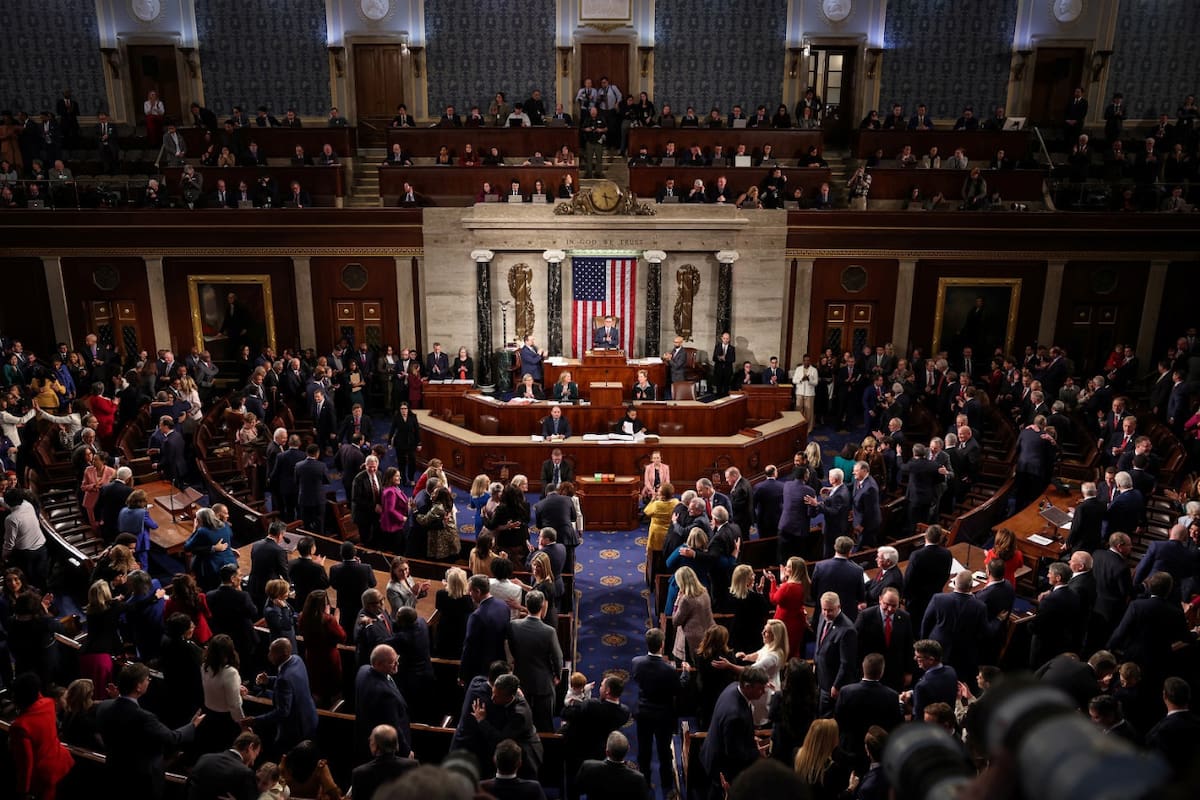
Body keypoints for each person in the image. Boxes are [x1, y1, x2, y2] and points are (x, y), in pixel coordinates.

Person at [97, 662, 204, 799]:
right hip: (142, 781)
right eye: (147, 679)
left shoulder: (103, 707)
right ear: (138, 686)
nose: (149, 681)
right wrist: (193, 725)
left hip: (114, 772)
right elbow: (172, 738)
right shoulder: (144, 717)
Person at [698, 666, 770, 798]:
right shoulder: (735, 715)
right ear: (748, 686)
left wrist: (749, 738)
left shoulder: (733, 687)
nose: (764, 691)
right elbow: (734, 752)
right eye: (760, 688)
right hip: (722, 767)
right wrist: (756, 753)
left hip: (715, 751)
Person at [8, 671, 75, 800]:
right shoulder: (49, 704)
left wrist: (23, 791)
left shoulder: (20, 726)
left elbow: (26, 764)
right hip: (60, 764)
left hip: (42, 778)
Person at [507, 590, 563, 732]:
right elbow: (558, 657)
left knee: (520, 720)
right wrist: (558, 675)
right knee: (544, 723)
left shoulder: (514, 625)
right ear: (542, 606)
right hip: (543, 683)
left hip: (520, 679)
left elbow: (512, 648)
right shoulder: (549, 631)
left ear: (526, 605)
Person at [352, 724, 419, 800]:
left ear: (375, 745)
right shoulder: (412, 765)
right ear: (396, 744)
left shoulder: (360, 773)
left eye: (370, 740)